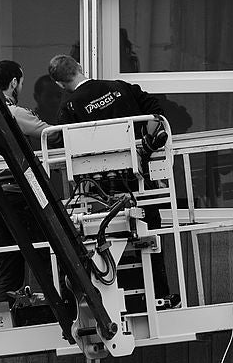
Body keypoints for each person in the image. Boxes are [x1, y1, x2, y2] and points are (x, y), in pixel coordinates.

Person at [47, 54, 178, 309]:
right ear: (80, 67)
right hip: (140, 181)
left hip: (100, 192)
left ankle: (114, 302)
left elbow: (60, 144)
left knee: (105, 242)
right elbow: (158, 113)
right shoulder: (119, 87)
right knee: (150, 232)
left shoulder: (70, 108)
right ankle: (159, 294)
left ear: (60, 85)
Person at [0, 60, 56, 307]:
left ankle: (1, 323)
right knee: (45, 256)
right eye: (21, 82)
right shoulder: (13, 113)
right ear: (14, 83)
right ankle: (54, 311)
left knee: (7, 268)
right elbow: (51, 133)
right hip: (19, 196)